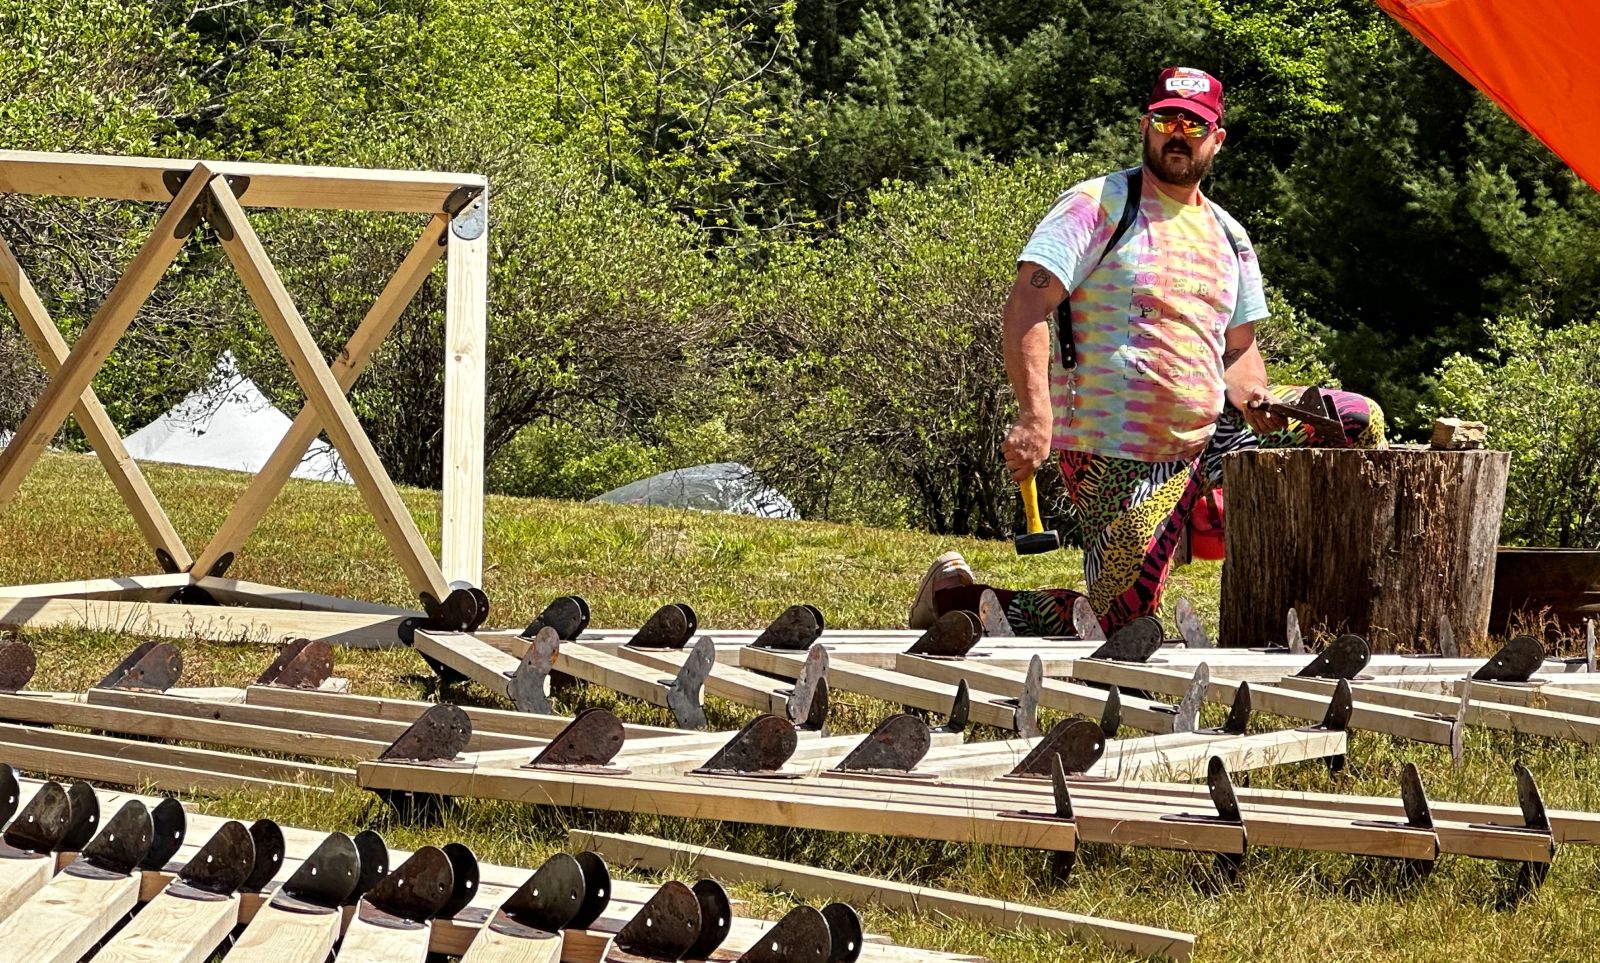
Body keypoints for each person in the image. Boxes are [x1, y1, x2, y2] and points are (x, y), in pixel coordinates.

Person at [909, 67, 1386, 637]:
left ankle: (1316, 588)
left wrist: (1256, 396)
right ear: (1146, 127)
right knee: (1124, 625)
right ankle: (954, 599)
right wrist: (1036, 417)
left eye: (1194, 124)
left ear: (1217, 138)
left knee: (1356, 422)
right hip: (1116, 452)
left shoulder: (1230, 235)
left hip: (1214, 434)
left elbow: (1239, 349)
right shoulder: (1097, 205)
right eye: (1166, 120)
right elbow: (1026, 307)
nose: (1178, 133)